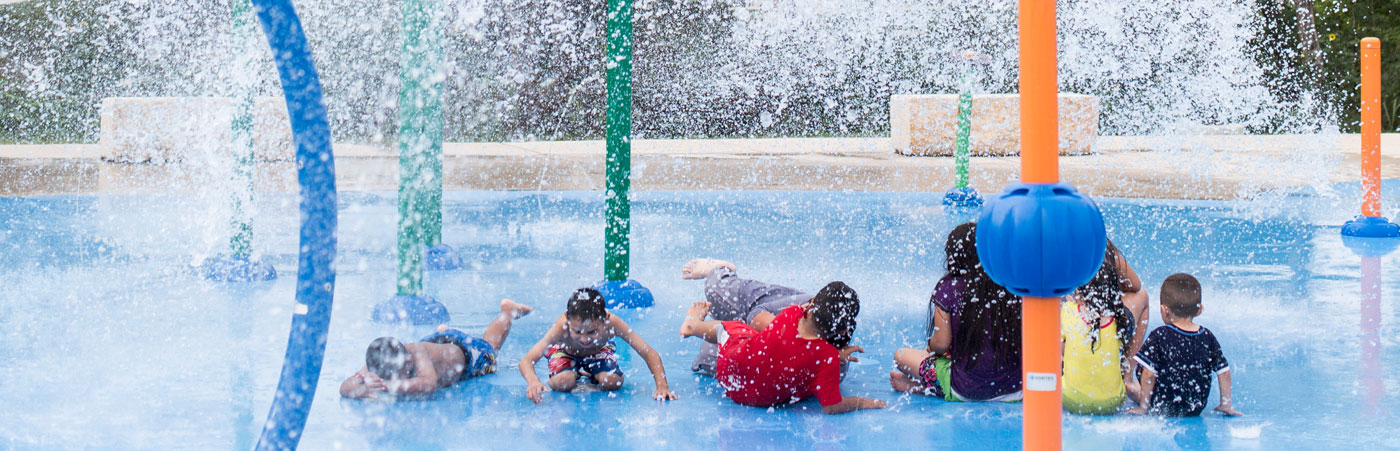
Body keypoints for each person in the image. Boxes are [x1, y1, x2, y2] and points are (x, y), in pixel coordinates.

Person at [678, 282, 885, 414]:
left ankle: (694, 326)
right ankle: (692, 326)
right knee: (804, 382)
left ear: (812, 303)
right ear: (841, 332)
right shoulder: (827, 359)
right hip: (760, 401)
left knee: (734, 328)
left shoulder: (791, 314)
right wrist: (863, 402)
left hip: (730, 378)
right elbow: (832, 406)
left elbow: (797, 344)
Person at [889, 222, 1024, 402]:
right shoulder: (1010, 284)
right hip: (1016, 389)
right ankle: (924, 387)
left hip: (966, 390)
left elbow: (941, 345)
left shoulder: (950, 288)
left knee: (901, 355)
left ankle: (926, 387)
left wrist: (933, 346)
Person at [340, 299, 534, 399]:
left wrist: (386, 387)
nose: (408, 366)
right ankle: (442, 332)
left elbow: (428, 384)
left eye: (406, 365)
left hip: (464, 352)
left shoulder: (416, 353)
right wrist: (362, 388)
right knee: (434, 344)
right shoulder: (381, 360)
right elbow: (345, 387)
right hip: (436, 343)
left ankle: (508, 312)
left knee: (490, 347)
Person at [680, 258, 843, 376]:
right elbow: (755, 316)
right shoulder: (798, 309)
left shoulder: (836, 363)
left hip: (758, 339)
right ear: (811, 304)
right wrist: (785, 334)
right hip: (748, 301)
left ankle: (703, 329)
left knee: (708, 361)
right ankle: (723, 269)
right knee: (715, 290)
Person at [519, 287, 678, 404]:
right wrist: (533, 381)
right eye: (578, 331)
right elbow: (527, 360)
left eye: (592, 332)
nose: (584, 339)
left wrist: (662, 387)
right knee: (564, 382)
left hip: (599, 350)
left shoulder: (613, 323)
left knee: (611, 382)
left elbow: (648, 352)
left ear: (605, 318)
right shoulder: (561, 327)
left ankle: (591, 373)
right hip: (565, 352)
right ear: (568, 318)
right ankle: (570, 372)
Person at [1127, 273, 1242, 416]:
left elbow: (1149, 375)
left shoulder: (1159, 335)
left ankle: (1142, 399)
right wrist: (1226, 404)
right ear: (1199, 310)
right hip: (1195, 407)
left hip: (1162, 406)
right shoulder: (1207, 336)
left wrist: (1143, 408)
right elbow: (1224, 372)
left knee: (1143, 368)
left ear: (1164, 310)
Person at [1061, 242, 1134, 414]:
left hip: (1072, 401)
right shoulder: (1121, 319)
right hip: (1113, 402)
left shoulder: (1069, 312)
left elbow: (1059, 354)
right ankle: (1129, 377)